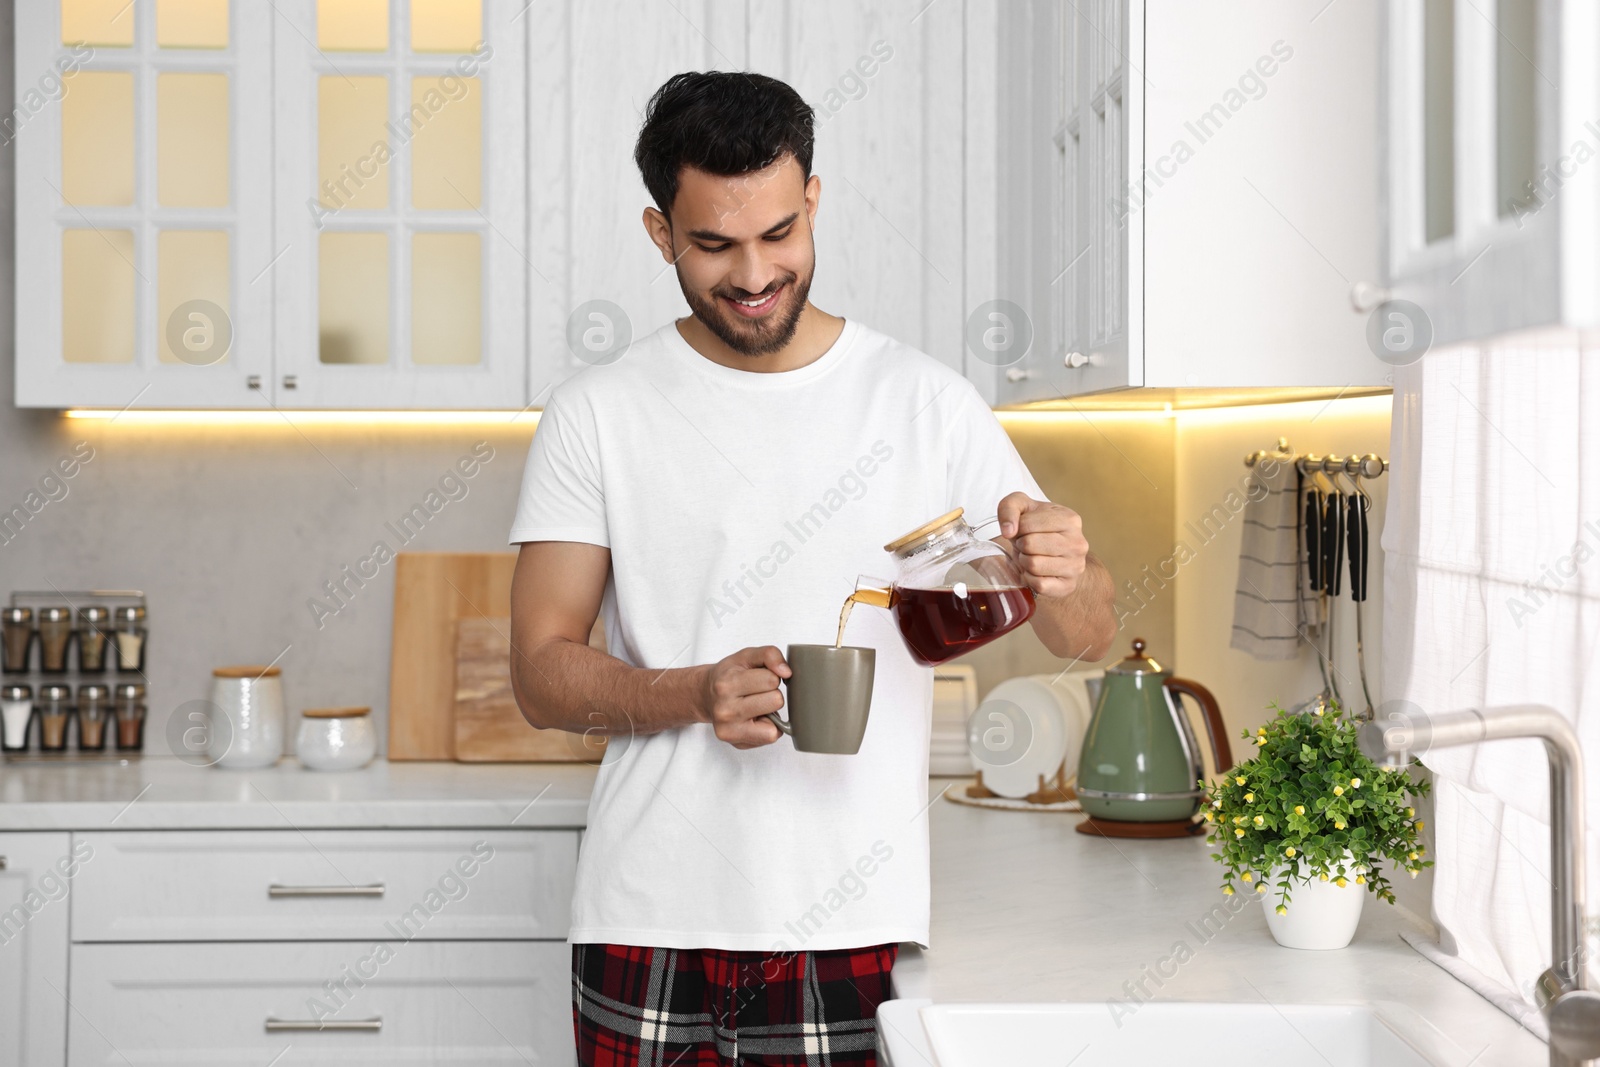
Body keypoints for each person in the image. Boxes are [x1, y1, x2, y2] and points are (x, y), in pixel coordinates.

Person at [508, 70, 1116, 1067]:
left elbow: (1082, 632)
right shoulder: (598, 412)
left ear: (814, 201)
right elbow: (538, 673)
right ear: (661, 233)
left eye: (778, 234)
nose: (753, 273)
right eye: (713, 244)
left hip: (853, 922)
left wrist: (1061, 562)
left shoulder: (927, 402)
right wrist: (694, 691)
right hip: (647, 917)